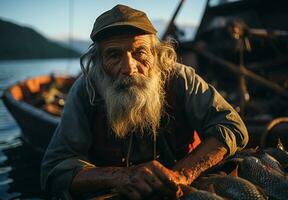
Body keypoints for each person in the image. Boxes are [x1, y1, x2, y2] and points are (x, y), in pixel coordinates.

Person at [41, 4, 248, 200]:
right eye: (114, 55)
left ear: (157, 55)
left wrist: (181, 175)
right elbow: (55, 168)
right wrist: (121, 176)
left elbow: (231, 126)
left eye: (140, 52)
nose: (129, 68)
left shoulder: (180, 78)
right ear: (99, 63)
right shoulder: (85, 91)